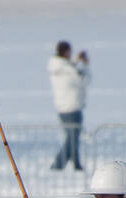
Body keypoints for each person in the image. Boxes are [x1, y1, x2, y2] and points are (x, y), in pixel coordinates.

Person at [48, 41, 89, 171]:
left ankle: (75, 164)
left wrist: (76, 61)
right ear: (66, 52)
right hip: (72, 106)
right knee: (72, 138)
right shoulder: (66, 69)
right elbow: (82, 80)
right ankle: (59, 165)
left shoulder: (57, 66)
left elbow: (71, 68)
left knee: (72, 137)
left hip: (63, 106)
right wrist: (84, 65)